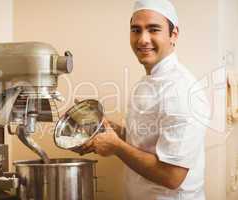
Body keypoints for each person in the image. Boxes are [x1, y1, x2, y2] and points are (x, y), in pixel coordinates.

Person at [79, 0, 210, 199]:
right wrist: (109, 129)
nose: (143, 39)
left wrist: (116, 147)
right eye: (136, 30)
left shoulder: (182, 91)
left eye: (153, 29)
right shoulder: (148, 81)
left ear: (173, 35)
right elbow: (145, 142)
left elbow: (172, 175)